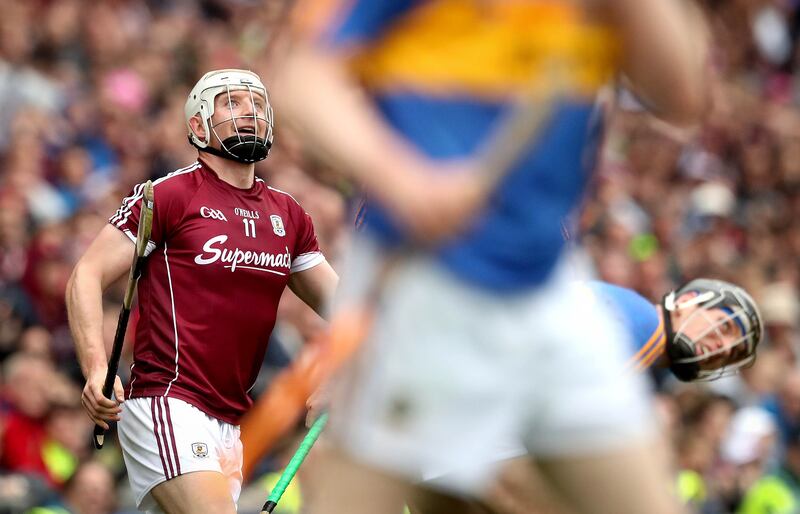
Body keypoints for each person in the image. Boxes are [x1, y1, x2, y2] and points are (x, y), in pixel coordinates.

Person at [271, 1, 710, 514]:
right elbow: (303, 81)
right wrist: (404, 180)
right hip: (422, 290)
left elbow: (681, 93)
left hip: (546, 289)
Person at [66, 69, 338, 514]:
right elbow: (87, 274)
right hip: (168, 402)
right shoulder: (168, 195)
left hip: (231, 424)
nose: (249, 112)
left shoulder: (288, 216)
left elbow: (352, 313)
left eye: (256, 104)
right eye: (231, 103)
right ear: (197, 125)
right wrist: (97, 368)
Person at [411, 277, 764, 514]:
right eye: (726, 327)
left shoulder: (633, 324)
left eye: (732, 353)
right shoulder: (643, 326)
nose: (723, 347)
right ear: (687, 301)